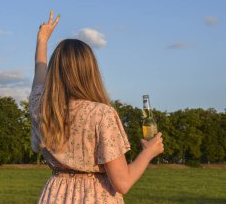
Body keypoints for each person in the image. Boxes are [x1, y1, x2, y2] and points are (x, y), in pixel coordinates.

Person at [29, 11, 164, 204]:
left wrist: (42, 40)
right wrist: (149, 152)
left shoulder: (41, 108)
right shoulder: (101, 114)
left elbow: (39, 73)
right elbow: (123, 183)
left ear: (54, 71)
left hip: (55, 195)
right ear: (90, 71)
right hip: (96, 196)